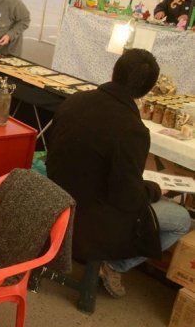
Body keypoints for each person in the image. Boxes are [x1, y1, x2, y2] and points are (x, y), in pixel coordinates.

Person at [46, 49, 191, 298]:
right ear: (147, 91)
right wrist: (155, 189)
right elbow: (126, 198)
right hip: (91, 217)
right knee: (181, 219)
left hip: (55, 195)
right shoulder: (132, 129)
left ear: (114, 71)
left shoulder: (76, 100)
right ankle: (114, 266)